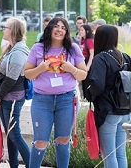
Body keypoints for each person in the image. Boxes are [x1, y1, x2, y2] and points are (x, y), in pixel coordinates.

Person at [24, 17, 87, 168]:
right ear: (50, 28)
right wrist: (41, 68)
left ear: (67, 32)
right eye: (56, 26)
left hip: (66, 99)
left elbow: (83, 74)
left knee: (63, 139)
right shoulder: (38, 48)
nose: (59, 30)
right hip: (42, 100)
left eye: (63, 27)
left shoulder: (73, 48)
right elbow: (27, 74)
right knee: (40, 140)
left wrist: (71, 68)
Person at [88, 25, 131, 168]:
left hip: (108, 111)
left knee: (109, 154)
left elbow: (98, 85)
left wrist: (89, 94)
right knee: (120, 153)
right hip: (125, 111)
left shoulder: (101, 58)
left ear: (99, 38)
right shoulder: (125, 57)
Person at [0, 17, 30, 168]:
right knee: (10, 133)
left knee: (14, 134)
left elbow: (11, 79)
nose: (3, 29)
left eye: (5, 27)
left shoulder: (19, 52)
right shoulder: (11, 49)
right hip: (5, 97)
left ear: (13, 31)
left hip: (13, 98)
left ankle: (31, 164)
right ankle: (13, 165)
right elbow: (0, 75)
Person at [79, 24, 94, 101]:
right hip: (83, 60)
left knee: (87, 80)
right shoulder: (82, 41)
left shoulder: (89, 41)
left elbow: (92, 54)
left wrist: (88, 66)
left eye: (82, 30)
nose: (80, 32)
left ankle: (89, 97)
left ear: (87, 31)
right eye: (80, 30)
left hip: (88, 61)